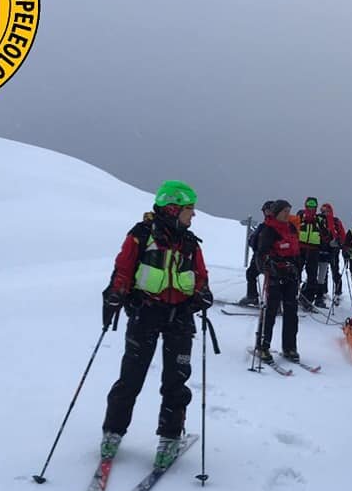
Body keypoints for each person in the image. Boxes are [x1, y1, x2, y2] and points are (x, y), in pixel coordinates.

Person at [99, 180, 213, 470]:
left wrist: (202, 292)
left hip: (180, 317)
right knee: (131, 377)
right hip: (145, 313)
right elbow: (123, 269)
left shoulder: (190, 243)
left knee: (176, 380)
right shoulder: (141, 236)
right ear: (173, 208)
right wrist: (115, 293)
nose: (193, 215)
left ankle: (169, 436)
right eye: (189, 209)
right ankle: (113, 431)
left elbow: (200, 275)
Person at [256, 200, 302, 363]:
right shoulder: (269, 229)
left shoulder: (291, 228)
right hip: (275, 276)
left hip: (290, 275)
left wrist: (297, 269)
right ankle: (263, 346)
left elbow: (296, 250)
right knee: (271, 311)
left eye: (289, 211)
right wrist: (270, 264)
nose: (287, 214)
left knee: (291, 312)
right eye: (284, 211)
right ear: (276, 212)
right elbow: (261, 253)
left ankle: (289, 347)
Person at [238, 200, 275, 306]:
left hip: (267, 257)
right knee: (252, 274)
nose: (267, 213)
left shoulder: (269, 225)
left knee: (270, 279)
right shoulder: (265, 225)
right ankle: (254, 297)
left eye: (269, 210)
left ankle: (255, 297)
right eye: (266, 211)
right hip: (261, 257)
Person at [296, 196, 325, 309]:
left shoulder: (319, 220)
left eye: (313, 205)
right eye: (310, 205)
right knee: (295, 273)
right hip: (300, 248)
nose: (311, 207)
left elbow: (325, 234)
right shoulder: (300, 217)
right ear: (306, 205)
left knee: (312, 276)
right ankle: (291, 296)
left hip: (314, 250)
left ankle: (307, 299)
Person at [316, 202, 346, 305]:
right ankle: (324, 291)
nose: (325, 213)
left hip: (333, 249)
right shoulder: (319, 220)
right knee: (324, 272)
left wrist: (340, 243)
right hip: (322, 248)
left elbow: (342, 234)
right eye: (323, 211)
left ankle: (338, 292)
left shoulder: (336, 221)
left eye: (327, 211)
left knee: (334, 270)